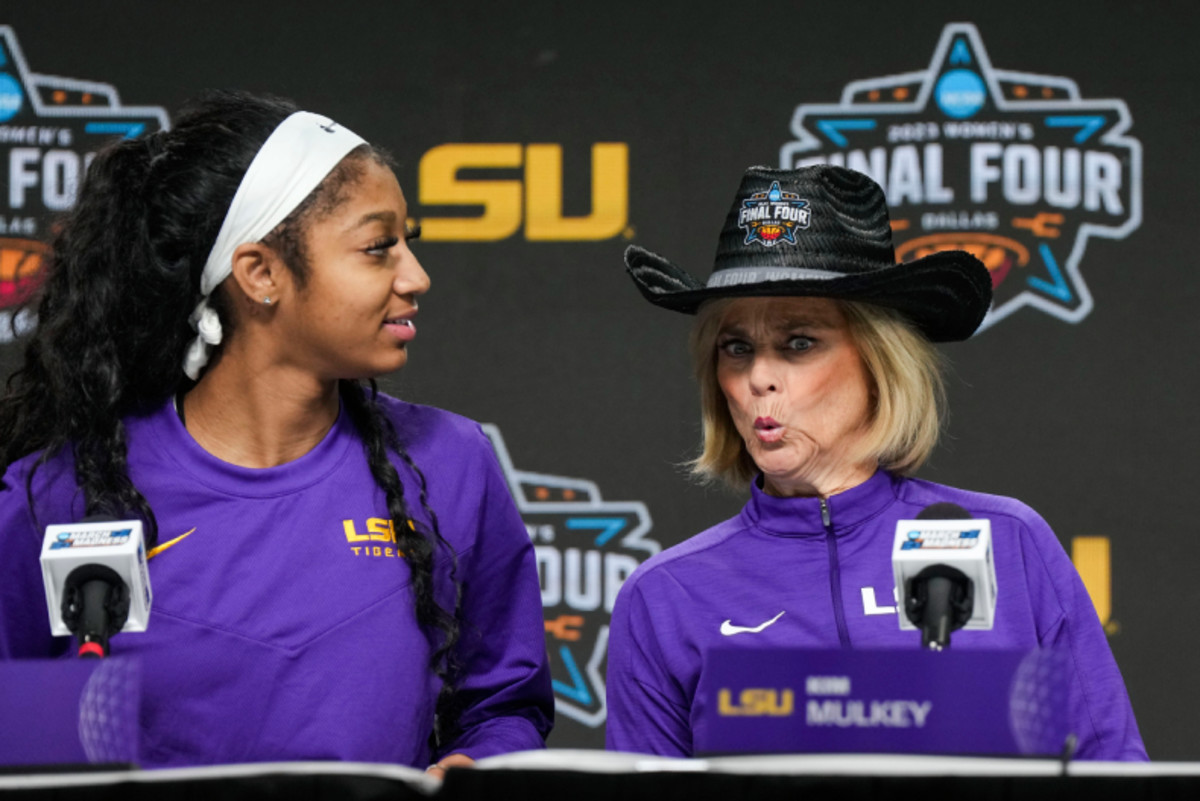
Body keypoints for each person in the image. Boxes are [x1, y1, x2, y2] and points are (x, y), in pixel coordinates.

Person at [0, 90, 552, 771]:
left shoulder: (451, 464)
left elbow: (504, 705)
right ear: (260, 272)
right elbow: (23, 745)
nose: (416, 276)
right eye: (379, 248)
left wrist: (477, 763)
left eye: (410, 243)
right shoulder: (63, 493)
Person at [605, 165, 1145, 760]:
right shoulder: (666, 594)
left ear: (879, 362)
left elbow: (1113, 774)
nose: (758, 377)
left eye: (798, 342)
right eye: (737, 348)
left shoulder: (1009, 543)